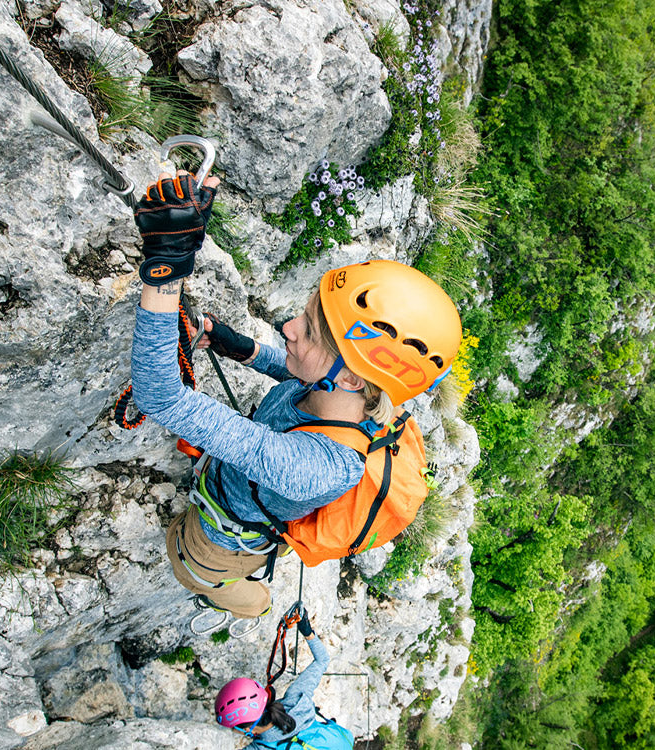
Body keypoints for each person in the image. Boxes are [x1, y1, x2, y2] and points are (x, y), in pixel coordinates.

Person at [130, 170, 461, 621]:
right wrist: (232, 343)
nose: (288, 328)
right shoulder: (346, 395)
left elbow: (160, 396)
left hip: (214, 550)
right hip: (234, 493)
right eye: (303, 317)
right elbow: (293, 373)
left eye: (306, 331)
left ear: (350, 380)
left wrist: (166, 269)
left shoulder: (314, 469)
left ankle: (250, 604)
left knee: (190, 561)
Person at [214, 608, 333, 746]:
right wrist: (306, 631)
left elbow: (322, 660)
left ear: (247, 730)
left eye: (234, 728)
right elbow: (322, 660)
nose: (234, 730)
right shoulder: (296, 701)